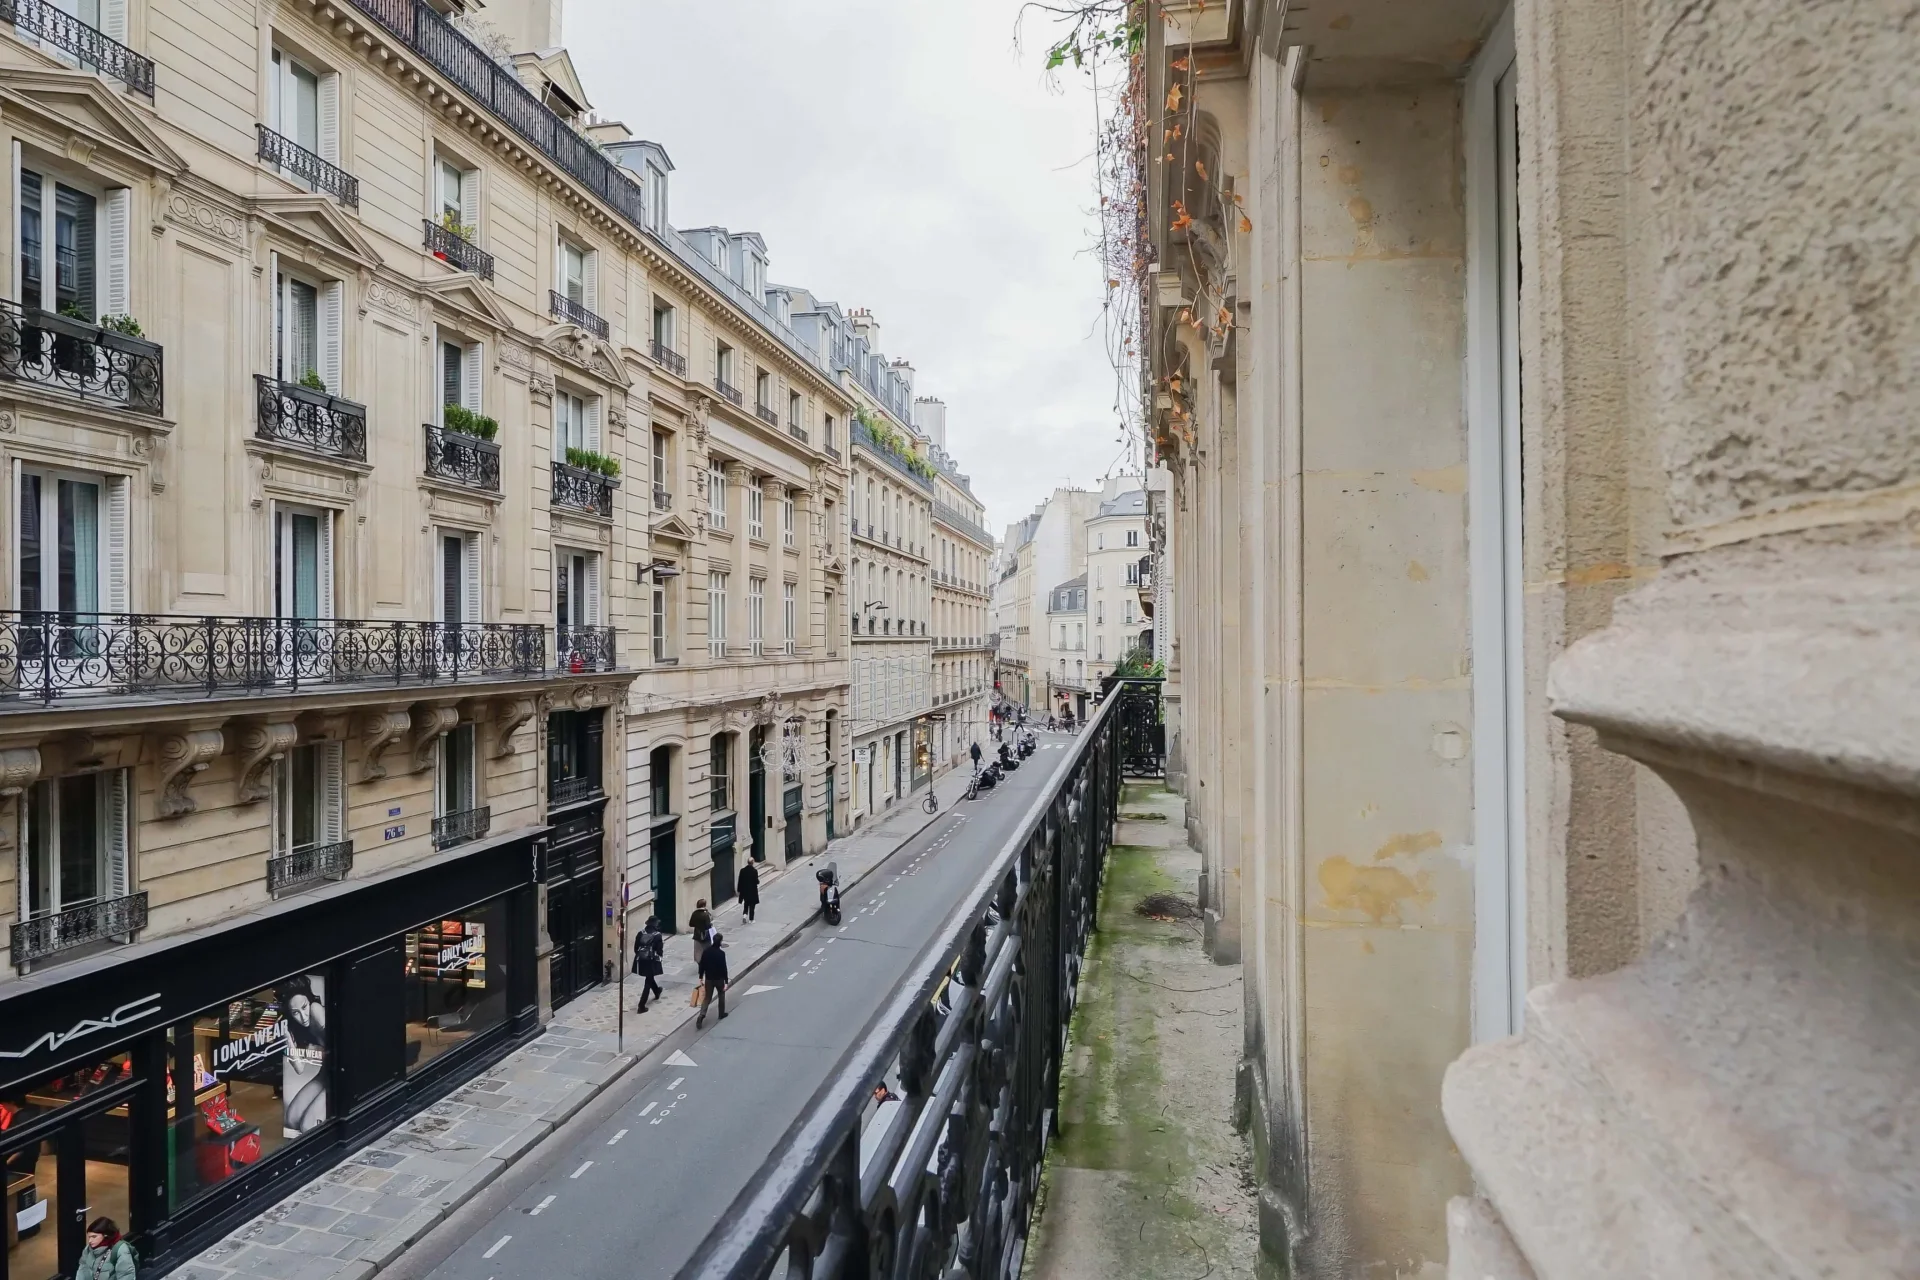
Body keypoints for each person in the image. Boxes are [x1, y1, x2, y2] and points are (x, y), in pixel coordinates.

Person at [695, 930, 729, 1028]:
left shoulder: (706, 952)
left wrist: (701, 977)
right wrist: (726, 981)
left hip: (709, 979)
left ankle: (702, 1014)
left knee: (707, 998)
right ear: (720, 942)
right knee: (721, 995)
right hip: (719, 979)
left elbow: (702, 965)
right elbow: (724, 968)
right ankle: (721, 1013)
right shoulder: (721, 954)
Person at [632, 916, 664, 1012]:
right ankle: (641, 1005)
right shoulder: (657, 935)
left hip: (641, 959)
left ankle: (657, 991)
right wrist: (659, 958)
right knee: (648, 980)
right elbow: (659, 950)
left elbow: (635, 948)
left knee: (649, 977)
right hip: (652, 960)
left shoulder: (640, 933)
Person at [689, 899, 713, 968]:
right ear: (704, 905)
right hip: (705, 935)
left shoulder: (694, 913)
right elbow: (708, 925)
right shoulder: (705, 914)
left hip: (697, 934)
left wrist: (698, 925)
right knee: (707, 950)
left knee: (698, 951)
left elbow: (691, 924)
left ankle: (700, 963)